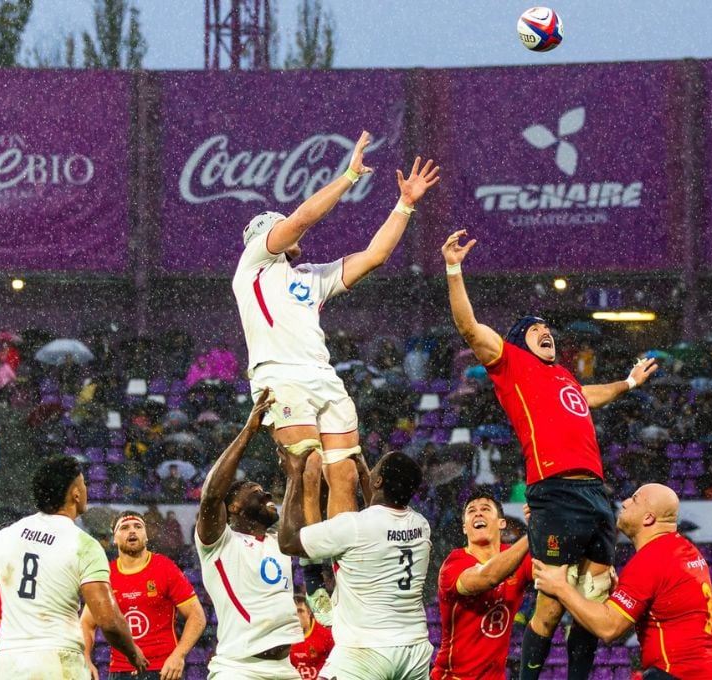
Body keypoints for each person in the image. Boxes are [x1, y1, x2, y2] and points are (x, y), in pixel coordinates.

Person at [233, 131, 440, 619]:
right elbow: (304, 215)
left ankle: (346, 576)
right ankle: (311, 574)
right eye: (284, 227)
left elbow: (374, 256)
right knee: (304, 466)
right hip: (279, 375)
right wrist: (348, 175)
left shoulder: (312, 279)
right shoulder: (254, 264)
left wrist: (404, 206)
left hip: (322, 377)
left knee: (344, 473)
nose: (295, 231)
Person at [441, 229, 659, 679]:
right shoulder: (513, 366)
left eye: (548, 329)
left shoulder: (561, 378)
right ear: (519, 343)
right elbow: (468, 327)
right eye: (536, 330)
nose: (546, 332)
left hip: (596, 494)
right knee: (550, 606)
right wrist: (453, 268)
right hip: (556, 492)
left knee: (591, 596)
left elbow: (590, 394)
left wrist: (629, 383)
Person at [0, 455, 147, 680]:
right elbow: (108, 620)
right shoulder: (84, 545)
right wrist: (133, 653)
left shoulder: (3, 538)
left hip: (9, 665)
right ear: (75, 494)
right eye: (83, 484)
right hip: (59, 662)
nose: (85, 489)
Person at [532, 483, 712, 680]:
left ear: (648, 518)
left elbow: (609, 629)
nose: (624, 503)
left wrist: (560, 587)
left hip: (675, 673)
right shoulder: (684, 550)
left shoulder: (651, 560)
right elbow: (665, 610)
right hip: (707, 672)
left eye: (634, 500)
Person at [278, 449, 431, 680]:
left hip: (366, 651)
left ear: (378, 481)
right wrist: (364, 473)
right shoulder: (421, 526)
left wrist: (294, 476)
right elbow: (380, 518)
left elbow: (288, 542)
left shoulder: (355, 527)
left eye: (376, 468)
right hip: (415, 651)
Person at [194, 390, 302, 679]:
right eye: (256, 492)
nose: (267, 493)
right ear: (234, 506)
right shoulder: (219, 543)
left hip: (285, 668)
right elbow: (211, 496)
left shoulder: (282, 541)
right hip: (239, 669)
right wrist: (248, 432)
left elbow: (297, 512)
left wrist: (294, 476)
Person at [81, 512, 205, 680]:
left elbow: (197, 616)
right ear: (114, 538)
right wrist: (86, 658)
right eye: (124, 527)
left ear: (146, 536)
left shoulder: (165, 567)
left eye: (138, 527)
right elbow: (87, 624)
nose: (132, 531)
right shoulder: (106, 575)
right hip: (120, 671)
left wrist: (178, 656)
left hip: (163, 670)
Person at [431, 488, 532, 680]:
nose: (478, 513)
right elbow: (488, 578)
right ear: (464, 527)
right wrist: (532, 534)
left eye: (485, 509)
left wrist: (548, 520)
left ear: (502, 523)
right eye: (471, 511)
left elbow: (552, 571)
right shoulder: (454, 564)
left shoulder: (517, 557)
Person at [288, 594, 333, 680]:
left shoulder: (326, 635)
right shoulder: (284, 638)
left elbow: (336, 662)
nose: (297, 616)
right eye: (294, 612)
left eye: (300, 611)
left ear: (309, 612)